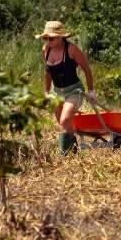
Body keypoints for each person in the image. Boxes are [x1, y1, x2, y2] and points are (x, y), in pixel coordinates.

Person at [36, 21, 96, 155]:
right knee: (64, 124)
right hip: (57, 92)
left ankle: (63, 155)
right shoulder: (46, 50)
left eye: (51, 38)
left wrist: (91, 91)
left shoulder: (71, 49)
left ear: (61, 37)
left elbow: (86, 68)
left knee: (64, 120)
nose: (48, 41)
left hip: (74, 91)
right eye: (45, 38)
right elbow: (47, 72)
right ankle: (73, 150)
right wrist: (46, 91)